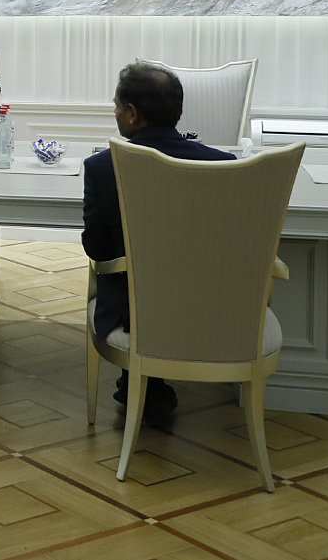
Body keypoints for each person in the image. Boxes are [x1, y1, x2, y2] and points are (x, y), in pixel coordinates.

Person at [82, 61, 233, 427]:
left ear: (132, 114)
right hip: (212, 302)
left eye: (117, 106)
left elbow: (97, 250)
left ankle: (143, 382)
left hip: (135, 309)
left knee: (130, 279)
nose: (115, 113)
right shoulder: (224, 165)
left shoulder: (102, 167)